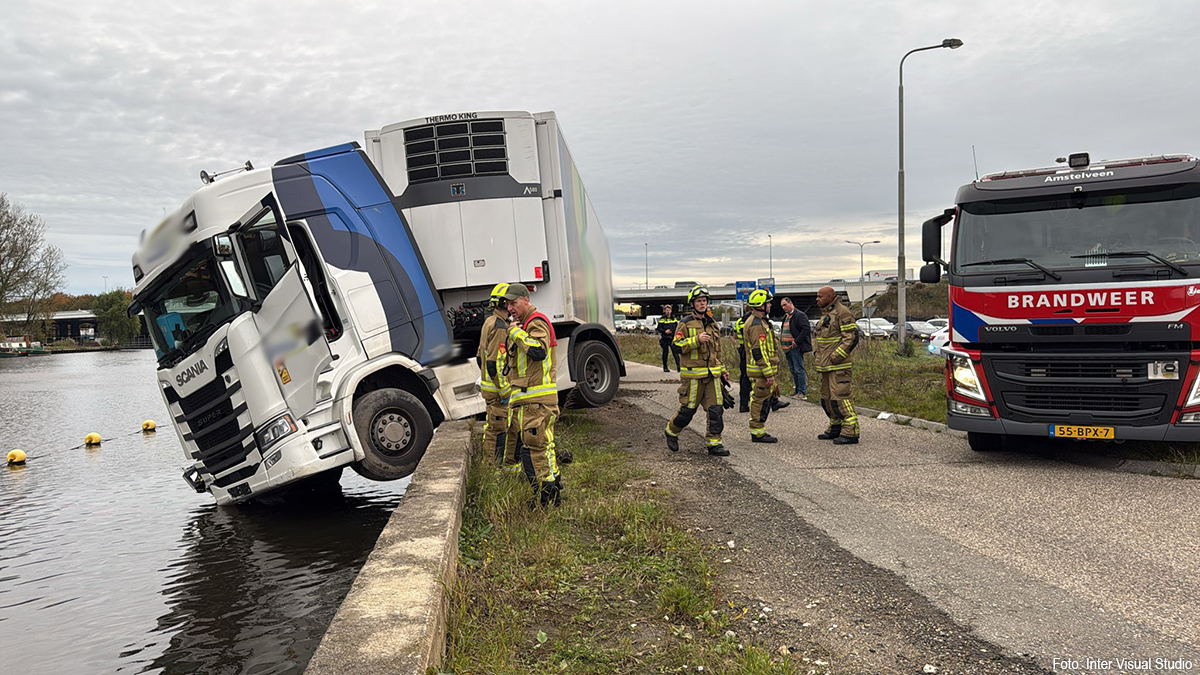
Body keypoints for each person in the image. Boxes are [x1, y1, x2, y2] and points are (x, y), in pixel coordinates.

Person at [502, 283, 563, 506]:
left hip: (536, 401)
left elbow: (538, 350)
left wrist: (515, 332)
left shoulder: (536, 322)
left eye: (513, 303)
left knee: (534, 450)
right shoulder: (524, 324)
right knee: (543, 446)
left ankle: (546, 497)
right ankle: (554, 486)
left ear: (525, 300)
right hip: (528, 400)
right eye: (507, 304)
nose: (510, 308)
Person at [664, 285, 730, 456]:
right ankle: (671, 432)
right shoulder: (685, 323)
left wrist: (723, 370)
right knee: (688, 410)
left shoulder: (713, 324)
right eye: (699, 301)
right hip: (693, 376)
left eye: (704, 301)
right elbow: (676, 345)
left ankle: (714, 444)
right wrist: (696, 340)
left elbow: (717, 351)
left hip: (712, 375)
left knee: (716, 409)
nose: (702, 304)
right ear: (692, 304)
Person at [813, 286, 860, 444]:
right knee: (826, 399)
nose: (817, 299)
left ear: (830, 296)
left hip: (838, 366)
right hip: (826, 366)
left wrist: (836, 356)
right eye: (817, 296)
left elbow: (851, 337)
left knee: (841, 398)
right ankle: (835, 427)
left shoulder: (842, 312)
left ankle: (850, 431)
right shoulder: (827, 314)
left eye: (820, 296)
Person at [478, 283, 512, 461]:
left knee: (491, 428)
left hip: (488, 388)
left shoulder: (489, 322)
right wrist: (504, 389)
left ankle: (489, 465)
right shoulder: (500, 327)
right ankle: (493, 467)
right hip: (497, 390)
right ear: (505, 303)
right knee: (498, 430)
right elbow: (494, 363)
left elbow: (479, 357)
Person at [742, 289, 780, 443]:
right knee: (760, 401)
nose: (770, 305)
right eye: (767, 303)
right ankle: (757, 432)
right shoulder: (756, 325)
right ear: (760, 305)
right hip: (760, 372)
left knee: (763, 400)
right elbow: (759, 351)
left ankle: (759, 429)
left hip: (761, 371)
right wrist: (768, 373)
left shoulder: (761, 322)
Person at [779, 297, 811, 399]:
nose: (783, 308)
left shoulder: (799, 315)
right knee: (793, 370)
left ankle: (802, 392)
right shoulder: (786, 316)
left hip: (795, 347)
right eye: (782, 306)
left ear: (790, 303)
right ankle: (797, 390)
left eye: (785, 305)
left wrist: (797, 341)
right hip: (786, 348)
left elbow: (805, 329)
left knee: (798, 369)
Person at [734, 307, 752, 413]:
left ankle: (743, 404)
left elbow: (736, 335)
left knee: (744, 377)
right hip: (750, 350)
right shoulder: (752, 321)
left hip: (742, 350)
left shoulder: (739, 321)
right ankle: (772, 401)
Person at [656, 304, 681, 372]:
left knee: (675, 353)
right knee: (665, 353)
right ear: (665, 311)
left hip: (672, 338)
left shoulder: (674, 318)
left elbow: (677, 327)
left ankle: (679, 367)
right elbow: (658, 328)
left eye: (669, 310)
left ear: (671, 311)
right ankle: (665, 367)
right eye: (667, 310)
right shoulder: (662, 318)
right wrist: (665, 331)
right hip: (665, 338)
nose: (668, 311)